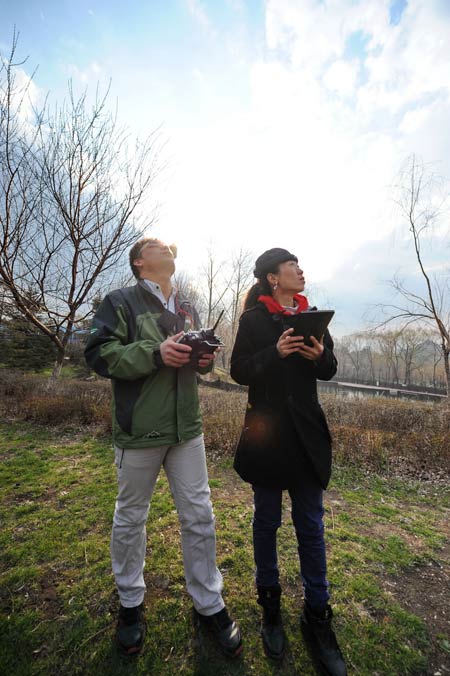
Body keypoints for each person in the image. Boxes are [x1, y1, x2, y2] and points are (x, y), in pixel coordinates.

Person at [84, 237, 242, 658]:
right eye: (156, 244)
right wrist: (155, 353)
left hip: (187, 429)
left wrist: (203, 361)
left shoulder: (187, 305)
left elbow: (193, 362)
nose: (167, 246)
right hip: (139, 430)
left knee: (200, 515)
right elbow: (99, 355)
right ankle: (131, 604)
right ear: (140, 261)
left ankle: (209, 604)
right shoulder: (119, 301)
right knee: (131, 517)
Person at [230, 248, 346, 675]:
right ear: (273, 278)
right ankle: (271, 607)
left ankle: (318, 616)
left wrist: (320, 358)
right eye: (292, 266)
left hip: (306, 440)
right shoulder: (254, 320)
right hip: (266, 437)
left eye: (300, 265)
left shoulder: (313, 315)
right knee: (267, 521)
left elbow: (330, 370)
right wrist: (274, 353)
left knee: (311, 526)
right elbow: (238, 370)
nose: (301, 270)